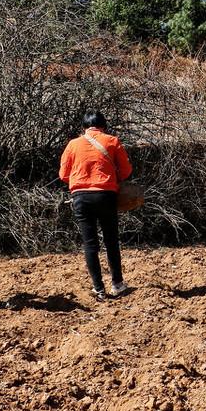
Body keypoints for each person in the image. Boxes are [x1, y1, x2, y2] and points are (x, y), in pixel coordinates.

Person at [59, 110, 132, 301]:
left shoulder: (73, 144)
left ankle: (98, 288)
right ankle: (117, 284)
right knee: (111, 241)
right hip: (106, 195)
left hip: (81, 197)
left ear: (83, 127)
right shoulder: (112, 141)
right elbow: (126, 171)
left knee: (90, 244)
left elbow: (63, 175)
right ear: (104, 126)